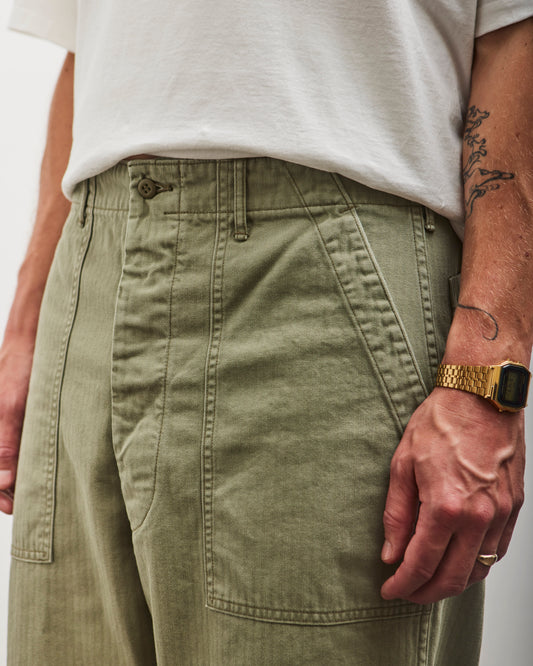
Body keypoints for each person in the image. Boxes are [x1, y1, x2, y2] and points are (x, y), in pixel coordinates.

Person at [2, 1, 532, 664]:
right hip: (88, 267)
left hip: (321, 281)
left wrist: (488, 380)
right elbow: (87, 45)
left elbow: (516, 30)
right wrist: (26, 324)